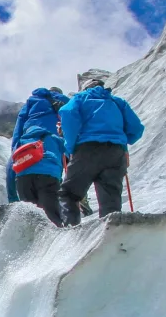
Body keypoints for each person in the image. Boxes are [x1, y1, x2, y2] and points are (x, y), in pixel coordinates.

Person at [57, 76, 144, 225]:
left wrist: (70, 145)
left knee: (68, 194)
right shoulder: (117, 102)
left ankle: (70, 233)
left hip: (87, 150)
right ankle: (110, 236)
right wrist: (124, 139)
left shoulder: (80, 98)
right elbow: (136, 128)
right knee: (110, 201)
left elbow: (67, 113)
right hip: (116, 153)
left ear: (86, 88)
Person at [7, 87, 68, 203]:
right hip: (54, 140)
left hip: (29, 140)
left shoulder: (32, 101)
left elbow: (19, 123)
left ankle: (13, 201)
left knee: (12, 166)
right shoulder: (66, 102)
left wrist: (15, 148)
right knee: (57, 164)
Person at [14, 125, 67, 225]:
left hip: (23, 178)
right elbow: (68, 146)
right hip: (48, 175)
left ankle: (32, 237)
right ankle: (55, 234)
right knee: (51, 213)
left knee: (29, 215)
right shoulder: (52, 138)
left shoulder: (21, 141)